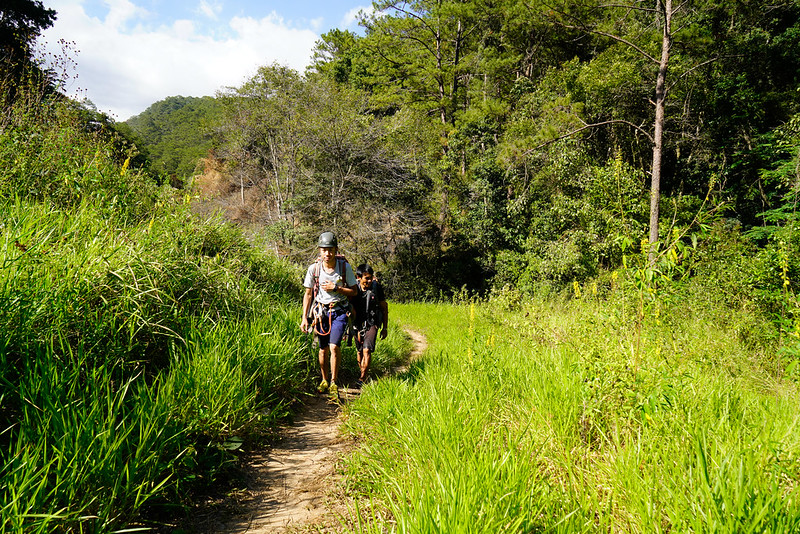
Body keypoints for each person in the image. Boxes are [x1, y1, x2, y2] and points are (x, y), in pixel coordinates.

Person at [300, 232, 358, 399]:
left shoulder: (344, 268)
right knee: (322, 349)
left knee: (334, 346)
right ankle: (324, 380)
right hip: (321, 312)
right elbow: (308, 294)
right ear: (320, 250)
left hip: (339, 311)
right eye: (324, 250)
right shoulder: (314, 269)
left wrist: (336, 288)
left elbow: (354, 291)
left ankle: (334, 382)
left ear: (336, 250)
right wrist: (304, 318)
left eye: (330, 250)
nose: (327, 253)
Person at [353, 263, 388, 386]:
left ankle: (362, 378)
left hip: (372, 323)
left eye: (371, 278)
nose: (369, 281)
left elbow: (384, 307)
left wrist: (385, 328)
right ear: (359, 277)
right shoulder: (354, 288)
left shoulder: (376, 288)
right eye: (366, 278)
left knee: (367, 350)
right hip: (356, 324)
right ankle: (362, 372)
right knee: (359, 351)